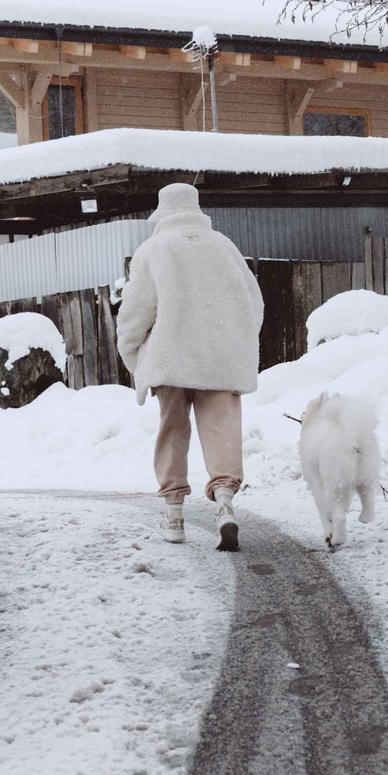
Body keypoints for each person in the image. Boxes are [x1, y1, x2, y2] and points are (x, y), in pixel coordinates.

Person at [116, 182, 263, 551]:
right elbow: (253, 302)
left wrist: (132, 351)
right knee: (221, 428)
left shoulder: (153, 249)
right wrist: (238, 340)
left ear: (162, 212)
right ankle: (226, 501)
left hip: (171, 357)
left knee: (173, 430)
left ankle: (174, 514)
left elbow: (135, 312)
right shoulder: (224, 248)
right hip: (221, 357)